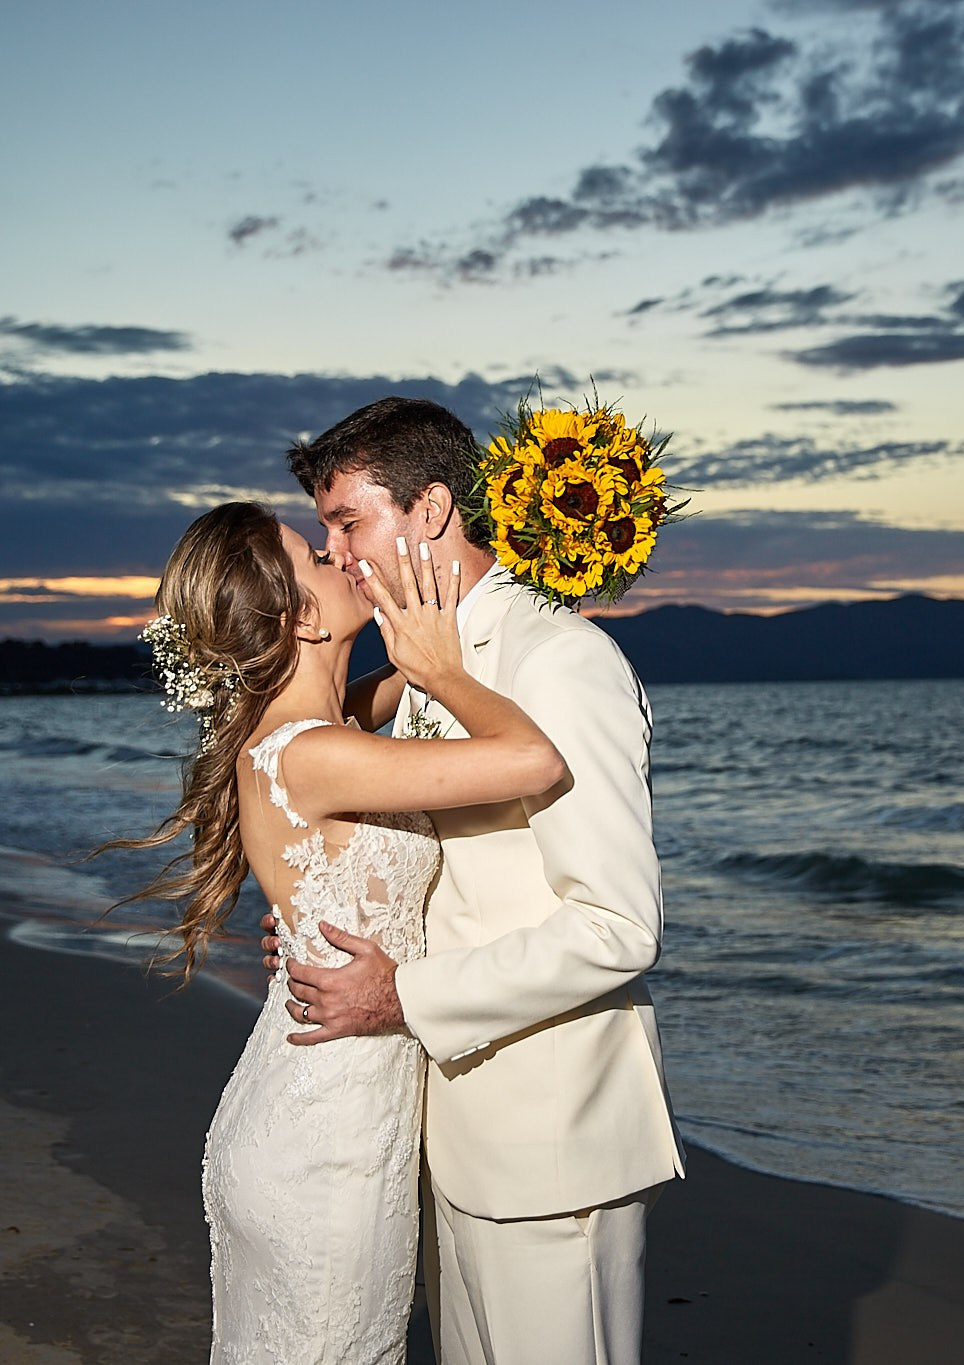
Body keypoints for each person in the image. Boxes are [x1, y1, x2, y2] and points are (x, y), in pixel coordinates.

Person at [264, 396, 685, 1365]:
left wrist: (396, 993)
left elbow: (616, 926)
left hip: (550, 1146)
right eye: (324, 530)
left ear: (431, 511)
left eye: (346, 522)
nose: (332, 555)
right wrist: (322, 924)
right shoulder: (416, 668)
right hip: (445, 1133)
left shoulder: (560, 663)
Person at [106, 500, 565, 1364]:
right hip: (328, 1142)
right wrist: (447, 670)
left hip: (317, 1104)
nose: (337, 554)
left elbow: (408, 666)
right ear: (301, 617)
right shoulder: (315, 751)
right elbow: (534, 760)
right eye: (317, 556)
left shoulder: (322, 727)